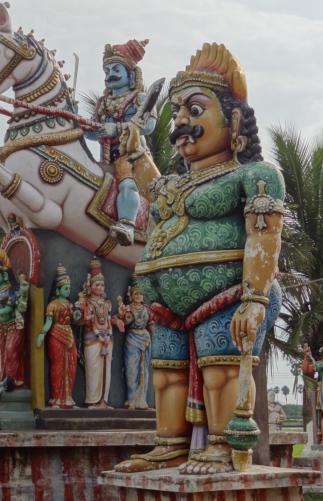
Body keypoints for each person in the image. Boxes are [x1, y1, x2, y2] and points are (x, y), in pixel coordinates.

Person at [116, 43, 285, 474]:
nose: (180, 123)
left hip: (226, 296)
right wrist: (136, 152)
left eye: (194, 110)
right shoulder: (176, 185)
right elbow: (151, 186)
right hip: (167, 305)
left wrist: (254, 299)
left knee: (219, 371)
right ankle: (170, 445)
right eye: (176, 113)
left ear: (234, 121)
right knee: (166, 373)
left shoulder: (253, 176)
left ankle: (223, 446)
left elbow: (264, 236)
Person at [85, 39, 157, 246]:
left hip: (132, 156)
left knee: (126, 183)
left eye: (116, 70)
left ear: (131, 74)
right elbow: (95, 133)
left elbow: (148, 125)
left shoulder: (140, 99)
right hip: (105, 158)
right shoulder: (103, 103)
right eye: (107, 71)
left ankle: (127, 225)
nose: (110, 75)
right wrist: (84, 127)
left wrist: (115, 129)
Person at [74, 256, 118, 408]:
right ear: (90, 286)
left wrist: (116, 322)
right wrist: (85, 317)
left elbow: (108, 320)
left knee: (106, 371)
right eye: (97, 284)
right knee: (93, 371)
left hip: (107, 340)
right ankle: (92, 401)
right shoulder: (86, 302)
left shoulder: (106, 303)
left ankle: (104, 401)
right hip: (92, 340)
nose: (100, 287)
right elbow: (78, 322)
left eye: (102, 285)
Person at [0, 247, 29, 388]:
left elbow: (8, 309)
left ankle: (13, 380)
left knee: (11, 352)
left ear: (4, 275)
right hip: (3, 327)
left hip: (14, 326)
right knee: (4, 354)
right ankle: (6, 379)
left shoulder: (12, 290)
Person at [37, 263, 77, 408]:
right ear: (58, 289)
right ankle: (56, 397)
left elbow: (75, 321)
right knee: (58, 366)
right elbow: (48, 322)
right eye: (65, 288)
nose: (68, 291)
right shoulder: (53, 305)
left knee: (71, 366)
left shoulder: (71, 304)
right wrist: (42, 334)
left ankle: (68, 397)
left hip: (69, 335)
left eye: (69, 288)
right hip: (56, 335)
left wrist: (78, 315)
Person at [116, 279, 153, 410]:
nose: (138, 296)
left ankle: (142, 400)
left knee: (144, 371)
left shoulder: (147, 309)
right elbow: (126, 322)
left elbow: (151, 325)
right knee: (132, 370)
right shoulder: (128, 308)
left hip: (145, 340)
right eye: (136, 294)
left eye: (140, 294)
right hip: (132, 339)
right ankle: (131, 400)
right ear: (131, 296)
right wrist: (123, 315)